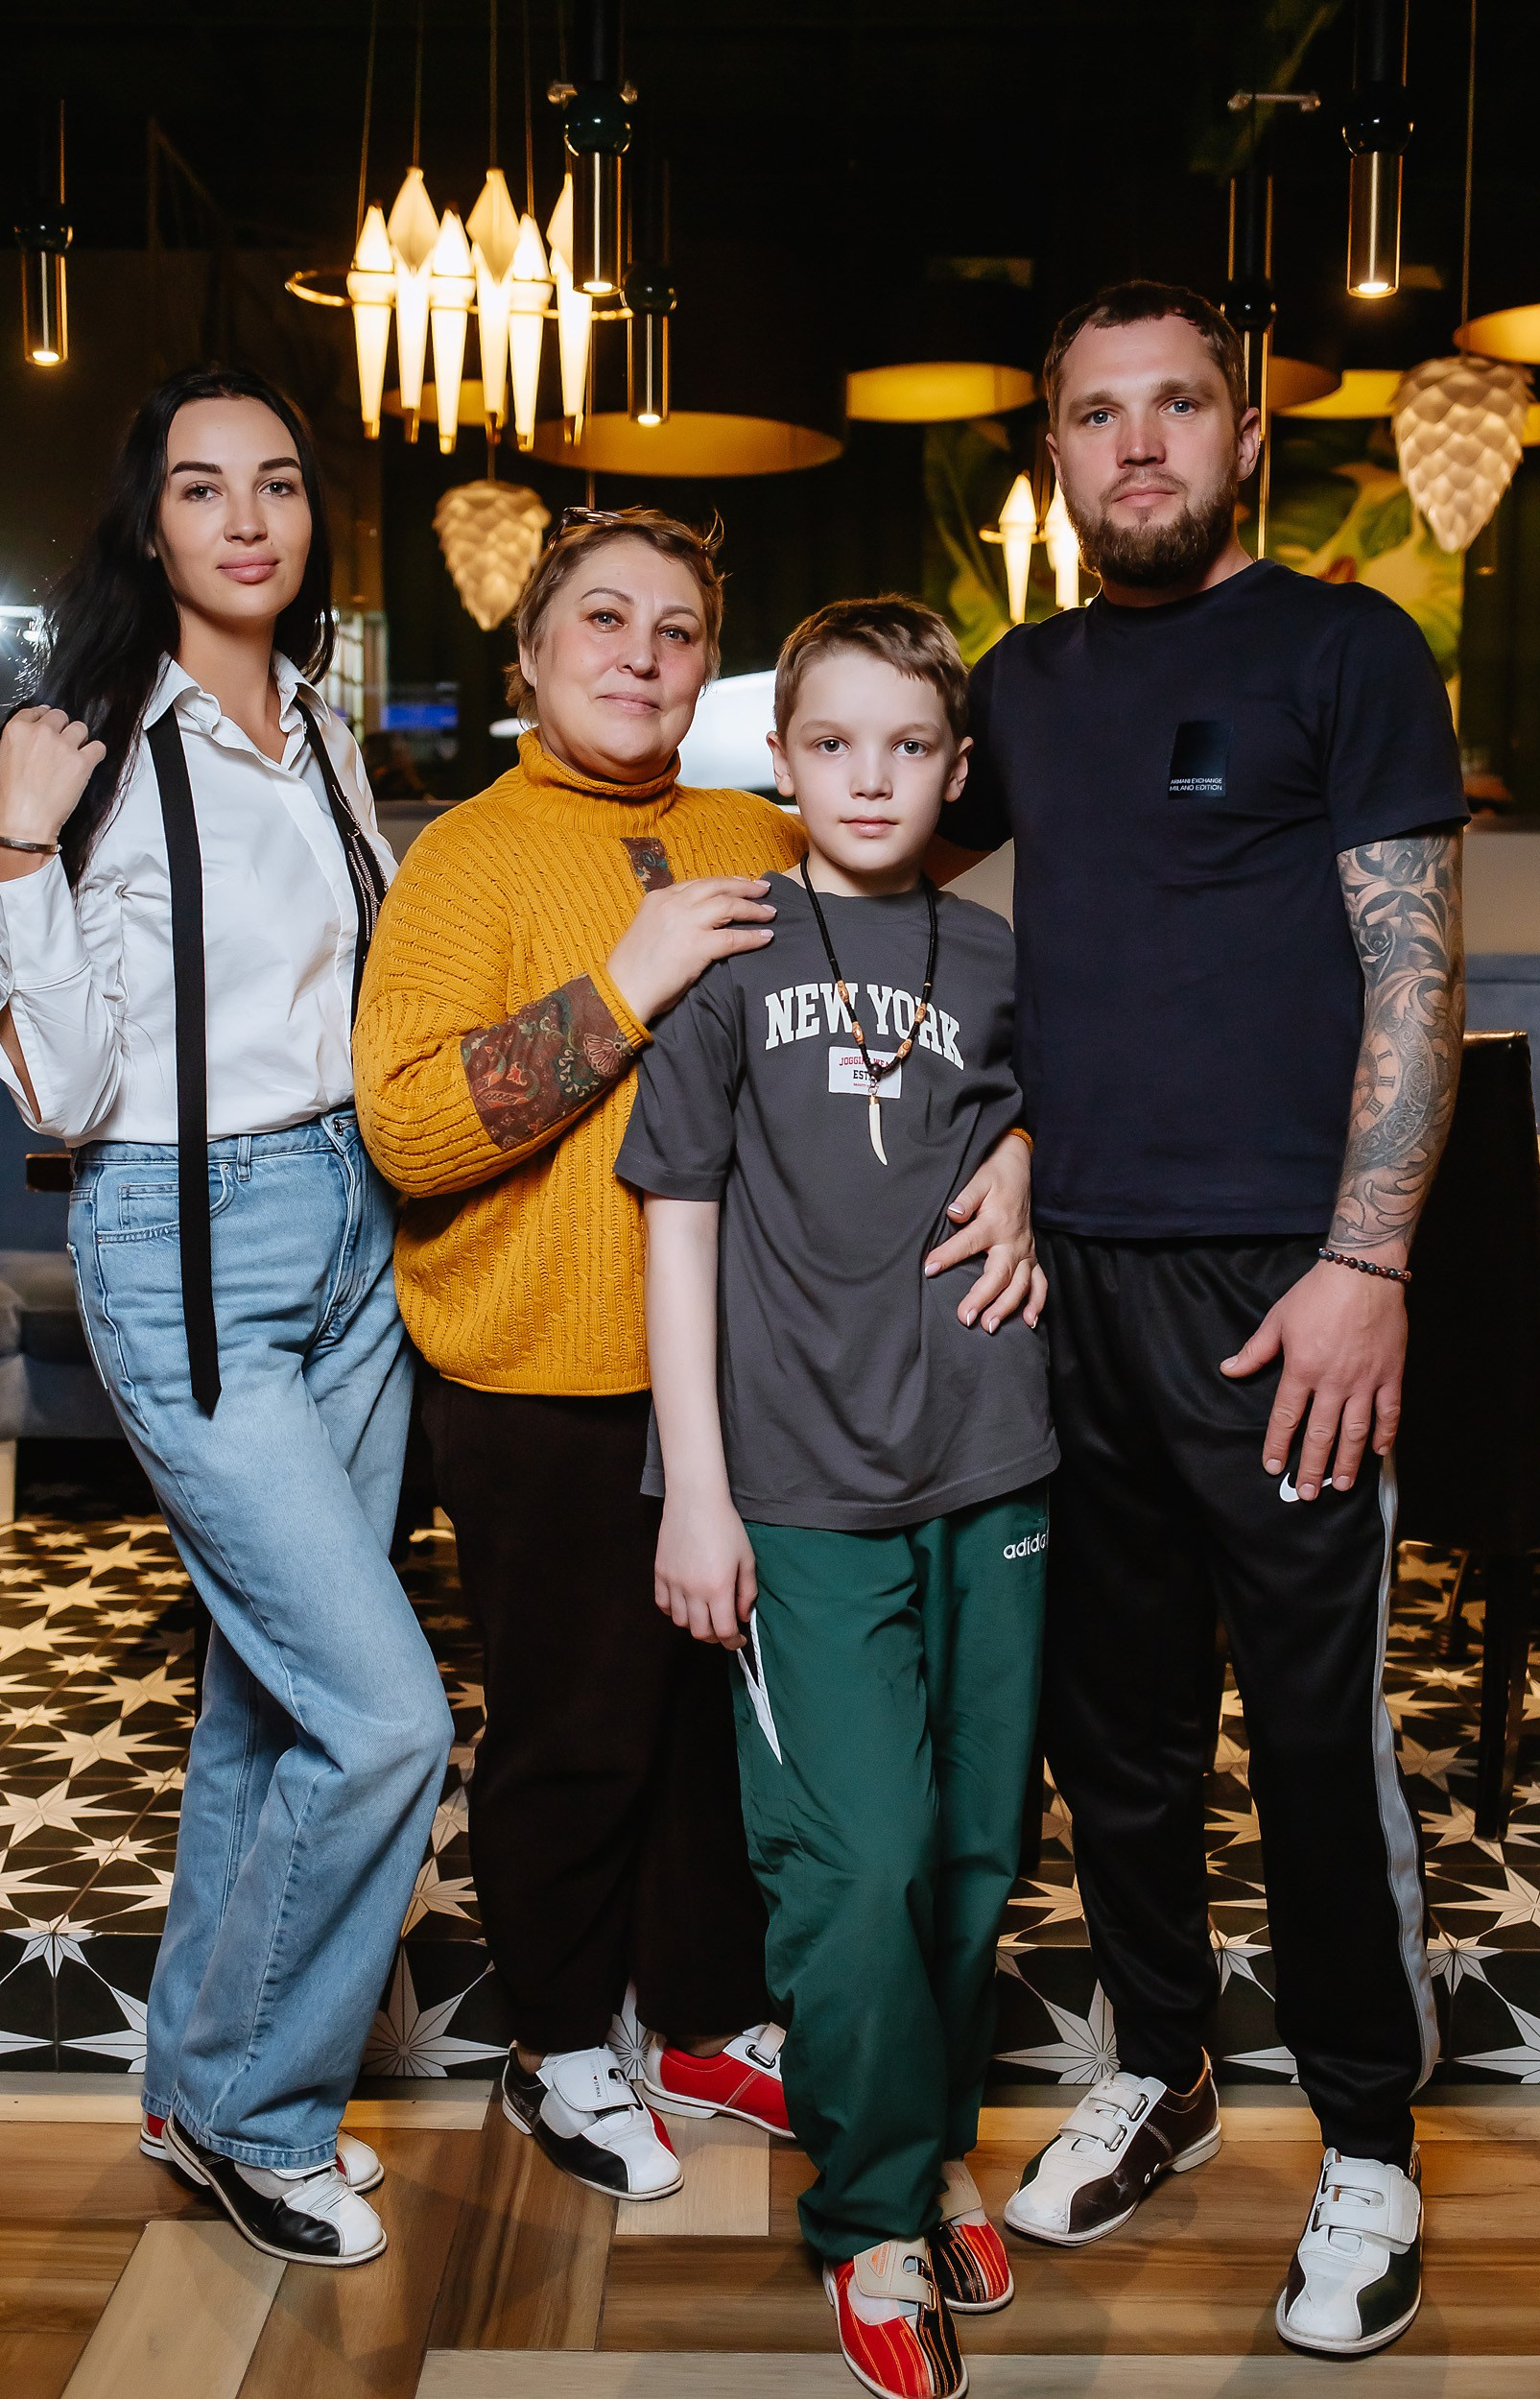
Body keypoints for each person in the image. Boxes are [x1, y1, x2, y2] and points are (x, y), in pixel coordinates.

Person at [354, 513, 1043, 2204]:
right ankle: (559, 2039)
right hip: (545, 1380)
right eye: (603, 620)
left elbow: (930, 1013)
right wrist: (624, 987)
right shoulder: (467, 858)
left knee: (723, 1737)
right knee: (578, 1729)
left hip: (752, 1392)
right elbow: (409, 1128)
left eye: (676, 631)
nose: (641, 656)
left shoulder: (756, 824)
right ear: (530, 654)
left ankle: (705, 2014)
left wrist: (1020, 1145)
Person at [936, 282, 1465, 2361]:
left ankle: (1369, 2139)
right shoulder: (1023, 681)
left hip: (1287, 1291)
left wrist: (1367, 1263)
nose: (1138, 443)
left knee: (1315, 1741)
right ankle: (1162, 2066)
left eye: (1176, 406)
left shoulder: (1349, 648)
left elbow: (1412, 973)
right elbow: (874, 840)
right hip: (1068, 1285)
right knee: (1119, 1735)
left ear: (1243, 437)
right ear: (1055, 455)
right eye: (1097, 414)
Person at [0, 366, 452, 2267]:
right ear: (151, 522)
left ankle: (194, 2085)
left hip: (358, 1229)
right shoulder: (86, 745)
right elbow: (65, 1088)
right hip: (187, 1230)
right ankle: (268, 2116)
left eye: (277, 482)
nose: (247, 517)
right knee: (386, 1716)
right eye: (203, 487)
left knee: (270, 1705)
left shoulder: (321, 726)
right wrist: (16, 849)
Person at [618, 597, 1056, 2399]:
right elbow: (678, 1228)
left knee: (973, 1845)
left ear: (957, 768)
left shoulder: (998, 953)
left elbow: (1041, 1124)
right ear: (783, 761)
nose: (871, 779)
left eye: (909, 746)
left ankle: (929, 2139)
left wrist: (1023, 1154)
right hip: (797, 1484)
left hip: (996, 1453)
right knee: (856, 1859)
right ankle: (869, 2214)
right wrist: (694, 1495)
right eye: (833, 744)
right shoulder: (728, 948)